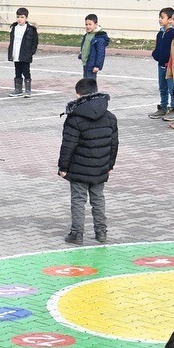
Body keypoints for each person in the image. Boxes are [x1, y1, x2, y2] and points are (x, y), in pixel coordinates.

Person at [58, 77, 119, 245]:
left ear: (78, 94)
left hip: (78, 168)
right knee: (98, 198)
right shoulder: (110, 117)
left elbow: (68, 146)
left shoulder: (74, 118)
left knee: (78, 200)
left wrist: (63, 167)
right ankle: (101, 232)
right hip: (100, 168)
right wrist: (110, 165)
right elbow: (114, 144)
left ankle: (77, 234)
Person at [149, 7, 174, 120]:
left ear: (170, 20)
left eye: (162, 17)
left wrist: (169, 61)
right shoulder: (160, 33)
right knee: (162, 87)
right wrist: (156, 55)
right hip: (161, 65)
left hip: (170, 66)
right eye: (159, 17)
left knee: (172, 88)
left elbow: (173, 50)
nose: (160, 19)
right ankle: (163, 107)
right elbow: (158, 48)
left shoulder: (173, 34)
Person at [7, 7, 39, 98]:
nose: (19, 19)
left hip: (25, 54)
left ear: (26, 18)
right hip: (16, 53)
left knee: (26, 71)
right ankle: (18, 89)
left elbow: (35, 42)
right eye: (18, 17)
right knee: (17, 71)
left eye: (22, 17)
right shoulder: (14, 28)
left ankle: (28, 90)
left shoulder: (31, 29)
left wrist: (31, 52)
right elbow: (12, 41)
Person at [79, 13, 108, 80]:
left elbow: (101, 53)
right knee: (85, 80)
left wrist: (97, 66)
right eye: (86, 24)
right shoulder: (87, 35)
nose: (88, 26)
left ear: (95, 25)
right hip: (86, 63)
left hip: (92, 65)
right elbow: (85, 47)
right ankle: (86, 90)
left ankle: (93, 91)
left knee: (91, 82)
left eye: (90, 24)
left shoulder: (99, 37)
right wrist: (81, 55)